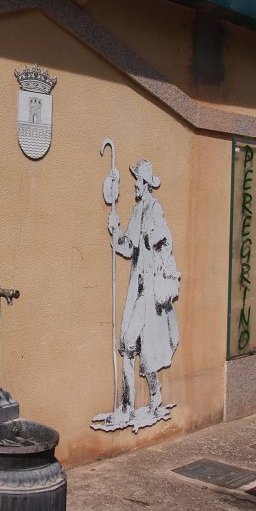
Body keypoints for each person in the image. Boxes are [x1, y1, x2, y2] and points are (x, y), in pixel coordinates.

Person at [107, 159, 181, 425]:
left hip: (150, 291)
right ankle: (128, 405)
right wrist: (115, 231)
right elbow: (129, 248)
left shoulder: (154, 208)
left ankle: (151, 393)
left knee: (141, 348)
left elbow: (166, 240)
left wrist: (154, 236)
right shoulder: (138, 209)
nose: (135, 185)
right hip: (137, 290)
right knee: (129, 345)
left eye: (137, 180)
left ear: (146, 183)